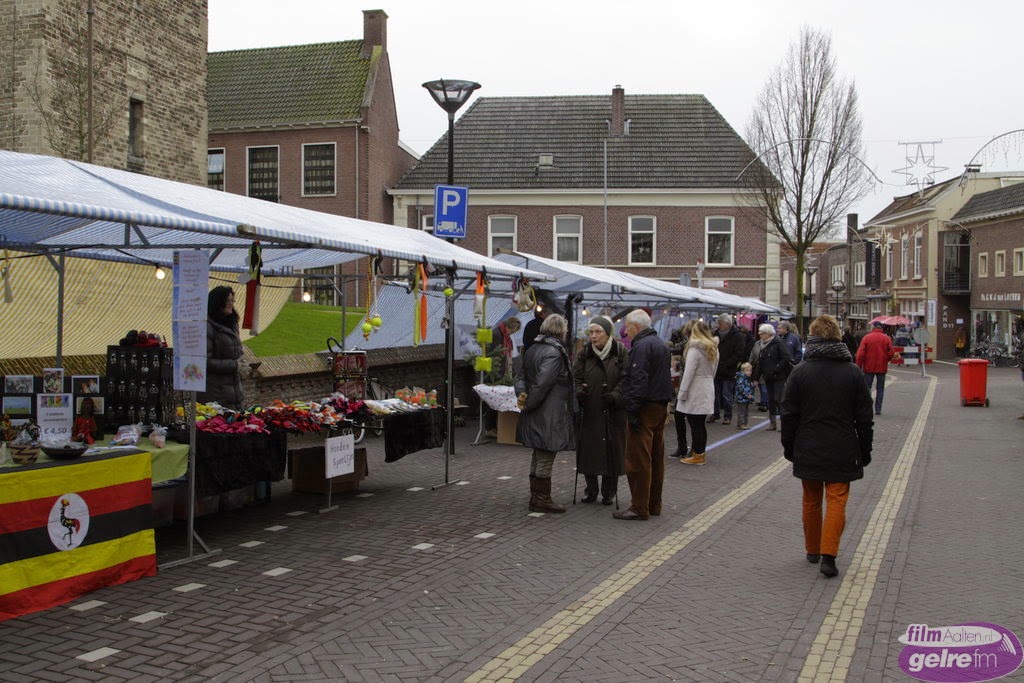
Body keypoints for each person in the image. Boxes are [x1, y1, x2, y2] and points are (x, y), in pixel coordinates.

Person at [781, 315, 874, 579]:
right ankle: (829, 555)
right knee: (837, 500)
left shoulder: (800, 371)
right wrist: (865, 449)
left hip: (808, 443)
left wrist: (789, 445)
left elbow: (789, 413)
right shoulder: (852, 372)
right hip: (842, 444)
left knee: (811, 499)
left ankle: (812, 548)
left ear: (812, 337)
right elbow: (864, 417)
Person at [614, 309, 673, 519]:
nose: (625, 331)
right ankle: (653, 504)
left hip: (644, 407)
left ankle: (639, 507)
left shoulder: (641, 346)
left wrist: (632, 409)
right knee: (656, 457)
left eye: (627, 327)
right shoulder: (661, 345)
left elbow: (638, 379)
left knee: (638, 459)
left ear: (636, 327)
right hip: (659, 405)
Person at [515, 314, 575, 513]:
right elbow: (543, 384)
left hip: (536, 410)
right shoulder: (554, 353)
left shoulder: (532, 349)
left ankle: (536, 497)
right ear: (560, 330)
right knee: (546, 455)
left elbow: (521, 378)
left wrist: (523, 397)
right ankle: (541, 499)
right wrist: (530, 403)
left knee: (538, 454)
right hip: (548, 412)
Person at [572, 316, 628, 505]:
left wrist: (616, 395)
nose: (594, 336)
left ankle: (609, 492)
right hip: (590, 409)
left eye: (598, 332)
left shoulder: (620, 352)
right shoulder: (585, 353)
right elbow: (575, 377)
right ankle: (591, 489)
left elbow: (627, 379)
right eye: (591, 332)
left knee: (612, 450)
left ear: (608, 333)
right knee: (589, 451)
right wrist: (579, 391)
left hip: (612, 410)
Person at [677, 319, 719, 466]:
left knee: (695, 423)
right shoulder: (713, 348)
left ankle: (698, 454)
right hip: (707, 385)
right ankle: (699, 453)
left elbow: (689, 372)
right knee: (700, 423)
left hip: (695, 388)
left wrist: (682, 393)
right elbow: (714, 371)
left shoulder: (694, 349)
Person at [198, 286, 244, 409]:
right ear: (217, 302)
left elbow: (237, 352)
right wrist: (234, 365)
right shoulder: (206, 327)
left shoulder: (232, 324)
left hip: (233, 393)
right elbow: (205, 361)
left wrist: (241, 360)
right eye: (227, 301)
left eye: (232, 300)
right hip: (215, 396)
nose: (231, 304)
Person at [483, 316, 522, 439]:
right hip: (494, 373)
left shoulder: (504, 335)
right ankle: (489, 427)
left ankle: (494, 426)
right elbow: (492, 354)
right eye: (513, 331)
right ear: (508, 327)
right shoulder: (496, 334)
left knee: (497, 400)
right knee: (493, 400)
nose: (512, 333)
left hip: (501, 371)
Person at [753, 323, 794, 431]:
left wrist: (776, 368)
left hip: (779, 377)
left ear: (768, 334)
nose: (760, 335)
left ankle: (784, 424)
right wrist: (756, 377)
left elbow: (786, 358)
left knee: (778, 399)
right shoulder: (763, 345)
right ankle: (773, 423)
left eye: (762, 333)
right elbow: (760, 362)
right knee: (771, 399)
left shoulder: (779, 343)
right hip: (768, 377)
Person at [708, 313, 745, 425]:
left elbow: (739, 353)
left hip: (729, 370)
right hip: (716, 369)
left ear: (727, 324)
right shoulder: (715, 334)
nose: (718, 325)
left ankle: (727, 416)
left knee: (726, 394)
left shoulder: (737, 336)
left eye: (720, 323)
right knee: (714, 393)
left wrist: (728, 364)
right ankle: (715, 413)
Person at [855, 321, 895, 416]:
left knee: (867, 387)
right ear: (881, 328)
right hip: (882, 367)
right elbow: (891, 352)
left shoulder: (867, 338)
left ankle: (868, 407)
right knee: (880, 388)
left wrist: (858, 366)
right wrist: (886, 360)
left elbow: (860, 354)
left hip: (868, 367)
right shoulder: (886, 338)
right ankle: (878, 409)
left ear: (873, 327)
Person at [668, 321, 693, 458]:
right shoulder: (687, 346)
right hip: (685, 385)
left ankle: (695, 449)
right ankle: (683, 447)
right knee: (679, 416)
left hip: (692, 387)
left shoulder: (694, 347)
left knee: (694, 420)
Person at [734, 362, 755, 430]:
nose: (749, 372)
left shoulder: (747, 379)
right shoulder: (741, 379)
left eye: (750, 370)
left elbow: (749, 387)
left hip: (746, 399)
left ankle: (745, 423)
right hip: (741, 398)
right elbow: (741, 389)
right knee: (741, 412)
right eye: (747, 370)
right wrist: (747, 395)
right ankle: (741, 424)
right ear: (743, 371)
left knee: (746, 412)